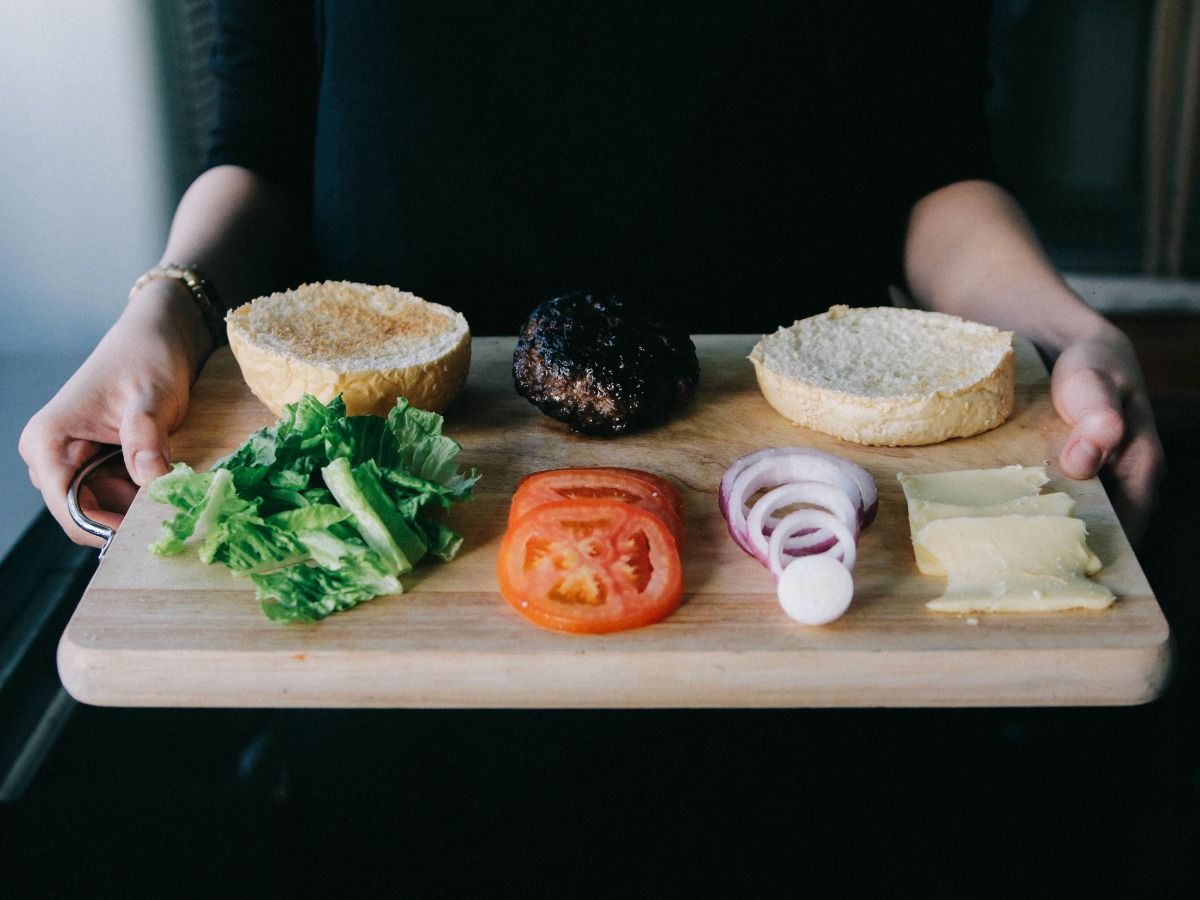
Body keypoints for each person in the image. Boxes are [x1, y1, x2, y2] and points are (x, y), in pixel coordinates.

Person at [20, 1, 1162, 545]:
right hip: (397, 514)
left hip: (800, 515)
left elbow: (935, 174)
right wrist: (163, 311)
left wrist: (1070, 330)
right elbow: (260, 150)